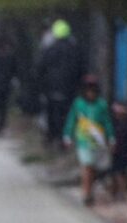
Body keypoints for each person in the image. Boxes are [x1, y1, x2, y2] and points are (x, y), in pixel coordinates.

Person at [63, 75, 114, 206]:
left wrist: (111, 138)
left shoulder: (101, 105)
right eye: (88, 90)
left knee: (94, 169)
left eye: (93, 90)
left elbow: (107, 123)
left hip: (97, 141)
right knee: (87, 166)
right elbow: (71, 120)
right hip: (83, 141)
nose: (90, 93)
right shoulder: (78, 104)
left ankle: (90, 191)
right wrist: (67, 136)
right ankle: (86, 193)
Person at [38, 19, 82, 148]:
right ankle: (64, 138)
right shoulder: (75, 49)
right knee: (67, 113)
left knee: (52, 113)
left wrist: (42, 85)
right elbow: (80, 68)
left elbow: (40, 68)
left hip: (51, 88)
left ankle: (54, 137)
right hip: (69, 88)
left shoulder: (49, 49)